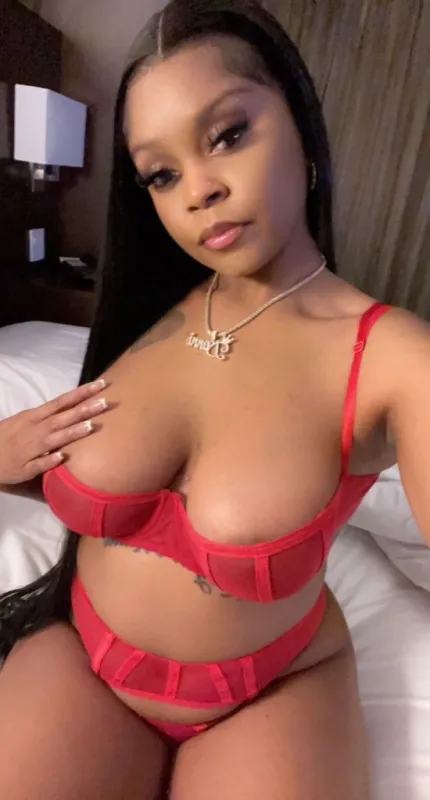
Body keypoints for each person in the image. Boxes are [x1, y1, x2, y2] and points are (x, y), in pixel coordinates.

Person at [0, 0, 429, 797]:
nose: (197, 190)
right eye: (160, 174)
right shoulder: (147, 312)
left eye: (228, 134)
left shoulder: (395, 358)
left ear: (302, 130)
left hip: (270, 690)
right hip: (84, 657)